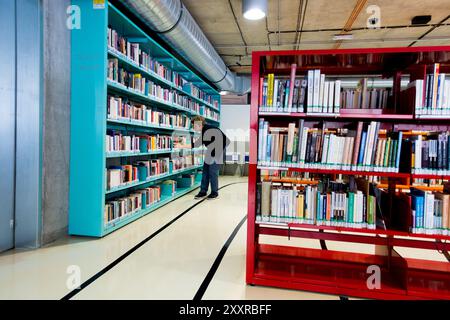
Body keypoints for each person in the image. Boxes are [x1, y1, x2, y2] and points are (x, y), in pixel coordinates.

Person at [191, 115, 230, 200]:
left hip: (218, 151)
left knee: (213, 172)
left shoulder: (208, 129)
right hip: (212, 150)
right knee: (205, 171)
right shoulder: (205, 130)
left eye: (193, 125)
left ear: (199, 124)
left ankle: (214, 192)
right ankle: (203, 191)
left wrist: (183, 145)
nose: (193, 127)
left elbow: (197, 144)